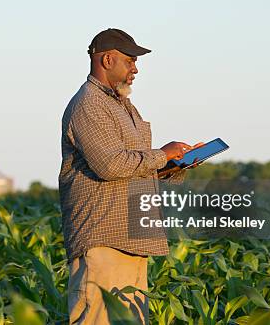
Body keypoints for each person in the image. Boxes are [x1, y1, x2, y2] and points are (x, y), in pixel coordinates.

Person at [58, 28, 202, 324]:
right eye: (130, 61)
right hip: (104, 238)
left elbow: (134, 166)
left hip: (132, 237)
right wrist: (163, 153)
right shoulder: (89, 104)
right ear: (108, 60)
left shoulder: (122, 106)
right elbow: (110, 165)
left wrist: (177, 164)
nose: (135, 69)